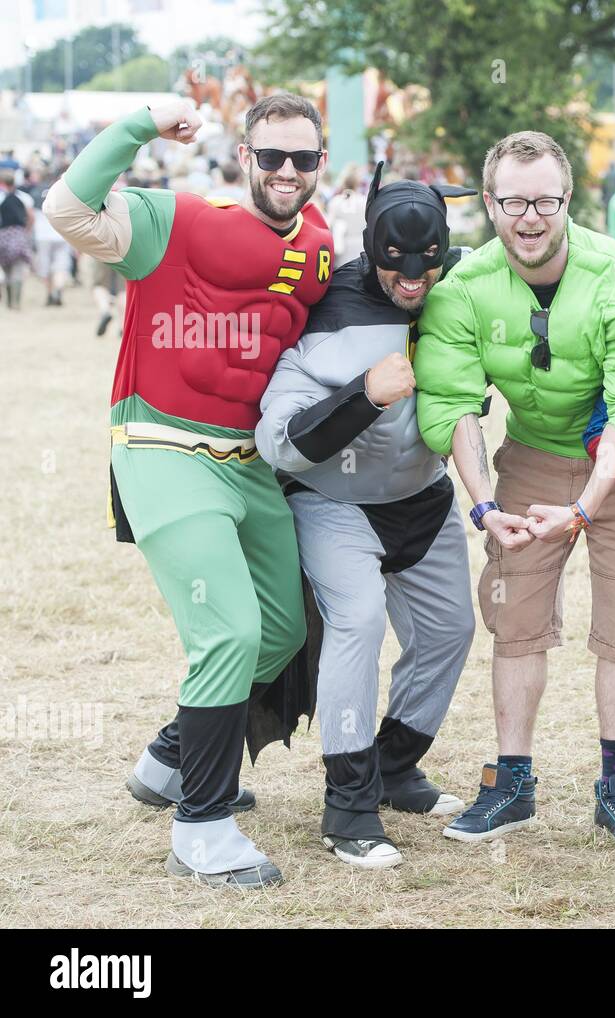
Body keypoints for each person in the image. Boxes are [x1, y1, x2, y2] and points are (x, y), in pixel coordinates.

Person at [44, 94, 334, 888]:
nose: (285, 170)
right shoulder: (174, 219)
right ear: (245, 156)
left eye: (302, 158)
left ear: (320, 163)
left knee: (280, 633)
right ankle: (200, 828)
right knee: (231, 632)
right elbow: (65, 206)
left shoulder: (320, 245)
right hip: (164, 446)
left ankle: (171, 758)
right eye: (270, 155)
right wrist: (142, 121)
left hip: (250, 461)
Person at [414, 131, 615, 850]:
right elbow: (452, 405)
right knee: (516, 616)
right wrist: (483, 508)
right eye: (512, 202)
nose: (528, 218)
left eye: (545, 201)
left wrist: (584, 508)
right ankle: (512, 782)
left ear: (569, 200)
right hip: (529, 458)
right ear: (489, 202)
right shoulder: (463, 289)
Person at [256, 166, 478, 869]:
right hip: (334, 503)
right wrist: (362, 397)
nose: (414, 278)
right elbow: (279, 441)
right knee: (358, 621)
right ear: (371, 250)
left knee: (450, 628)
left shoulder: (464, 289)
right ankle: (347, 805)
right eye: (396, 264)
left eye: (428, 262)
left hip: (423, 496)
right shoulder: (329, 309)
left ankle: (392, 766)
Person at [23, 163, 73, 307]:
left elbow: (30, 215)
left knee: (45, 267)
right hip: (61, 234)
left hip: (42, 236)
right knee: (61, 266)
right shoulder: (59, 191)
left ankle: (50, 293)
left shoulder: (34, 192)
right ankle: (58, 289)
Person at [0, 169, 32, 310]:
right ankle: (16, 303)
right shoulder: (24, 197)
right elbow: (31, 216)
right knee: (18, 269)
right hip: (19, 234)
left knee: (6, 269)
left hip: (2, 234)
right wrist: (26, 231)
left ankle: (8, 301)